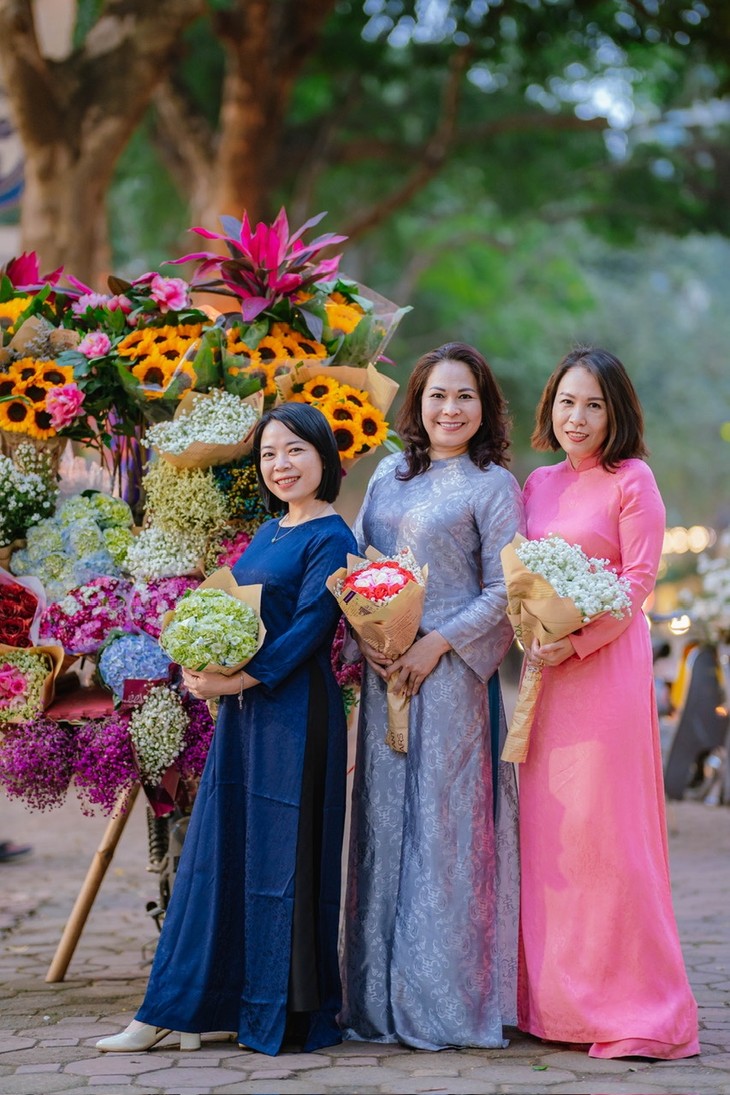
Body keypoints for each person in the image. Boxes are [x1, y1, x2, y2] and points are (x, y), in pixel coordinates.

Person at [97, 403, 357, 1056]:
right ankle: (194, 1005)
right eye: (270, 454)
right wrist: (197, 659)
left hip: (298, 713)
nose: (281, 464)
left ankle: (289, 1012)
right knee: (224, 855)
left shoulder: (333, 535)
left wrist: (234, 681)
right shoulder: (268, 532)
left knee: (286, 861)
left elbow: (309, 627)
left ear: (323, 455)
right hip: (246, 718)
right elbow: (229, 611)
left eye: (295, 450)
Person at [340, 341, 525, 1050]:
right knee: (383, 829)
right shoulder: (389, 473)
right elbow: (363, 561)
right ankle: (375, 1002)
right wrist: (371, 637)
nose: (450, 409)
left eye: (465, 396)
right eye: (438, 395)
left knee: (444, 832)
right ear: (417, 402)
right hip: (385, 669)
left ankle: (444, 1003)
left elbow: (506, 590)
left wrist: (436, 643)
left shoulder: (492, 485)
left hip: (451, 684)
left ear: (485, 406)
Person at [517, 345, 700, 1059]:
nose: (578, 417)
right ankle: (556, 1005)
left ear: (616, 410)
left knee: (608, 840)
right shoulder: (536, 484)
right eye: (567, 401)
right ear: (550, 407)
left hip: (605, 677)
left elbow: (637, 583)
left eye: (594, 403)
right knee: (555, 837)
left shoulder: (635, 480)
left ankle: (637, 1008)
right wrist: (534, 632)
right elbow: (524, 577)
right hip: (546, 682)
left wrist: (578, 642)